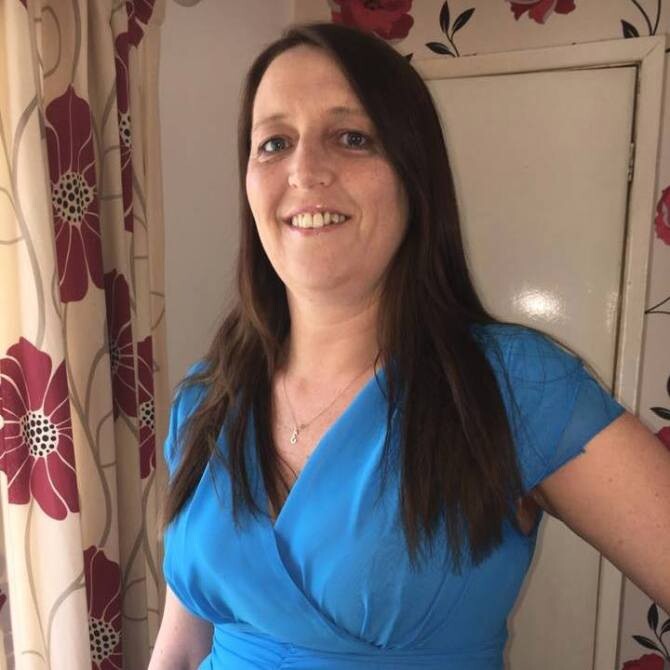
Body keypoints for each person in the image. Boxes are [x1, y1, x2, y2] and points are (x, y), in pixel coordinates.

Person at [148, 22, 670, 670]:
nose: (305, 170)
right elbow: (181, 646)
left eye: (351, 137)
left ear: (412, 174)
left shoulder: (513, 387)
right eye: (274, 143)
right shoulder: (207, 398)